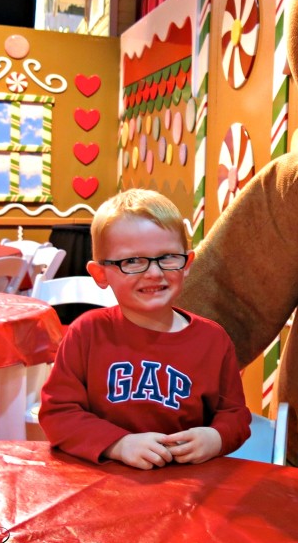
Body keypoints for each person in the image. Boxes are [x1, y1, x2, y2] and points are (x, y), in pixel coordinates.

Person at [39, 189, 251, 470]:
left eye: (167, 257)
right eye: (132, 261)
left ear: (187, 264)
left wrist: (215, 437)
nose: (154, 273)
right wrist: (118, 444)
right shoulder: (87, 333)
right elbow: (58, 413)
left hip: (185, 482)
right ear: (100, 274)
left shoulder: (213, 340)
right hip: (104, 480)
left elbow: (235, 415)